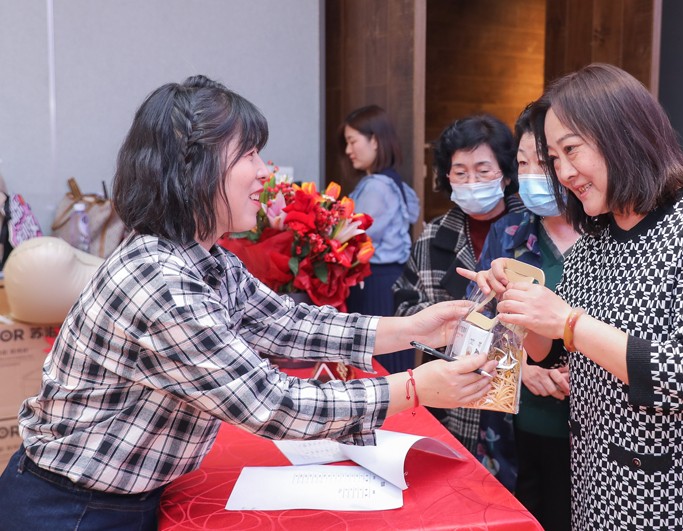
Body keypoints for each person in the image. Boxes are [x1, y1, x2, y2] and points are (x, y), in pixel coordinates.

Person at [0, 75, 496, 530]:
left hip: (117, 497)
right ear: (191, 165)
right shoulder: (161, 280)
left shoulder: (205, 258)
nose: (265, 172)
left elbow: (286, 323)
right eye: (249, 154)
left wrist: (413, 328)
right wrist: (415, 387)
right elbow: (272, 404)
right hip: (69, 510)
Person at [463, 63, 683, 529]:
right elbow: (553, 354)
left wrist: (569, 321)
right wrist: (520, 304)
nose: (563, 172)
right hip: (599, 493)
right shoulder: (596, 242)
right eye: (553, 158)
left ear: (622, 135)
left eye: (571, 151)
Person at [469, 100, 577, 530]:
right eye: (522, 162)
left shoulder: (607, 236)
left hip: (592, 432)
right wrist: (525, 368)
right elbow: (478, 323)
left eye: (543, 162)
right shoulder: (508, 233)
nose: (532, 174)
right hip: (515, 424)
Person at [393, 114, 525, 459]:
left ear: (506, 174)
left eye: (483, 171)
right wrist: (452, 325)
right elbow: (404, 303)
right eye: (460, 172)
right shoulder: (434, 236)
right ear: (447, 176)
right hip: (451, 390)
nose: (471, 182)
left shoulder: (533, 232)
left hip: (524, 394)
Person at [339, 105, 420, 374]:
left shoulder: (376, 186)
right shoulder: (395, 183)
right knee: (394, 362)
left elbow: (354, 236)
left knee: (377, 365)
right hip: (392, 280)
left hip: (375, 283)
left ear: (374, 140)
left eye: (353, 141)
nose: (348, 150)